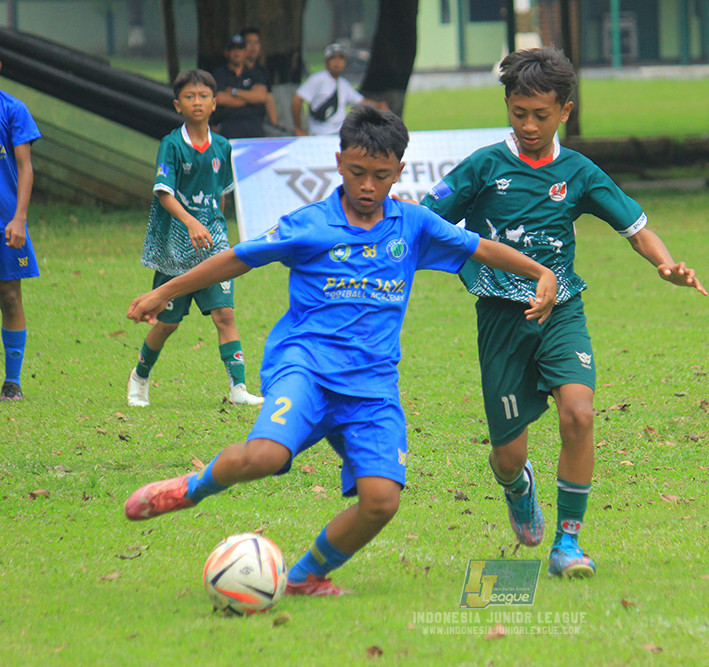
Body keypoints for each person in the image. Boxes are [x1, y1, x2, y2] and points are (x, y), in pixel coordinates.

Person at [122, 105, 557, 597]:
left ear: (399, 172)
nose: (368, 186)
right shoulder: (309, 224)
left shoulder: (413, 225)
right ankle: (190, 489)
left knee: (381, 501)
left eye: (380, 175)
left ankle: (306, 575)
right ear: (338, 162)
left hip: (371, 387)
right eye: (356, 173)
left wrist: (540, 273)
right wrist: (164, 292)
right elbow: (236, 259)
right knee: (264, 455)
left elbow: (480, 247)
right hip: (304, 367)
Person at [421, 47, 708, 579]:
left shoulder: (578, 171)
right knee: (507, 457)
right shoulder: (483, 167)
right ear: (507, 105)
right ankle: (518, 487)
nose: (529, 126)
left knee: (579, 413)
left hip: (563, 311)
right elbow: (424, 222)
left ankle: (568, 544)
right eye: (518, 113)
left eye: (541, 115)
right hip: (502, 319)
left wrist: (665, 264)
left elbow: (637, 228)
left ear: (565, 112)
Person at [126, 69, 263, 408]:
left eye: (203, 96)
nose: (197, 102)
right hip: (177, 245)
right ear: (178, 105)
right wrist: (190, 222)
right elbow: (164, 194)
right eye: (189, 97)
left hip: (213, 241)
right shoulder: (171, 145)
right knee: (167, 321)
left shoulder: (222, 146)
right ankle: (140, 377)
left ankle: (238, 388)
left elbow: (222, 194)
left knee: (224, 315)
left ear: (215, 103)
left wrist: (214, 226)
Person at [0, 59, 41, 401]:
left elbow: (26, 166)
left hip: (5, 220)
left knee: (10, 295)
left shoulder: (13, 109)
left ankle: (12, 382)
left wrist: (19, 218)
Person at [292, 43, 366, 136]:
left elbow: (361, 101)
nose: (337, 62)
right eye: (333, 58)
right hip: (319, 135)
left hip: (339, 135)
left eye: (341, 58)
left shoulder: (344, 84)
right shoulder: (317, 79)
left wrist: (379, 106)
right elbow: (297, 99)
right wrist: (298, 127)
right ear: (326, 62)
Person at [211, 34, 268, 139]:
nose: (237, 52)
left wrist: (234, 92)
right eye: (233, 49)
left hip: (254, 125)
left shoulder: (255, 74)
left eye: (240, 49)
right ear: (227, 53)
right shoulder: (219, 74)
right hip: (228, 124)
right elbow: (220, 98)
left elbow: (261, 97)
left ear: (246, 52)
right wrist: (249, 97)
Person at [240, 27, 280, 128]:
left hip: (259, 121)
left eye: (256, 43)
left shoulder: (262, 71)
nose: (253, 47)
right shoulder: (236, 70)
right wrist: (254, 96)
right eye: (249, 42)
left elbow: (267, 97)